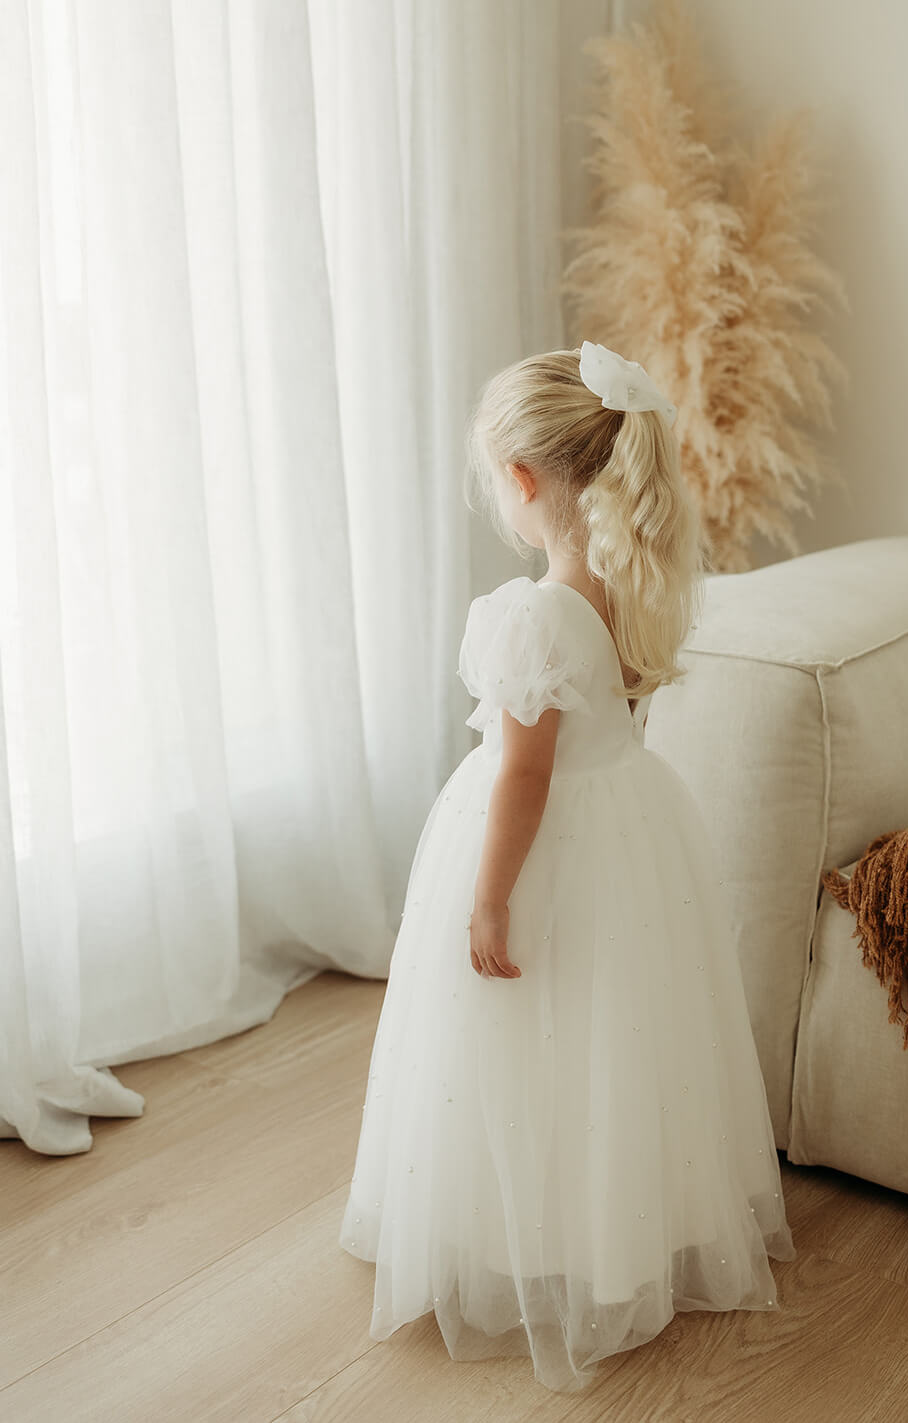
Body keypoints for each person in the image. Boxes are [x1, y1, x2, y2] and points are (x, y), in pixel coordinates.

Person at [339, 340, 796, 1394]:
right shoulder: (624, 592)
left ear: (521, 481)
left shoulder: (529, 613)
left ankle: (520, 1228)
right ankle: (620, 1219)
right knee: (610, 1035)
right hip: (628, 829)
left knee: (523, 1027)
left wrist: (489, 894)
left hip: (544, 847)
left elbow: (522, 778)